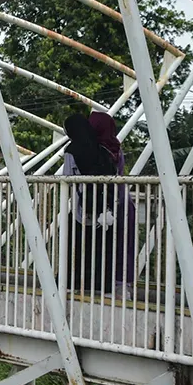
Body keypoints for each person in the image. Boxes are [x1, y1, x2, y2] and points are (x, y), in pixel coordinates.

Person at [62, 114, 117, 292]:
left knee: (75, 245)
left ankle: (72, 281)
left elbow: (68, 178)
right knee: (100, 247)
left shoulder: (72, 150)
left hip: (81, 206)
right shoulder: (102, 149)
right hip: (103, 208)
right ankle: (102, 284)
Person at [88, 111, 137, 289]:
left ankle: (107, 284)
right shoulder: (116, 148)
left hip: (108, 205)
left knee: (106, 245)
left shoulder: (98, 150)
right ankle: (124, 284)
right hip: (124, 201)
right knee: (124, 245)